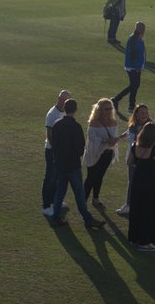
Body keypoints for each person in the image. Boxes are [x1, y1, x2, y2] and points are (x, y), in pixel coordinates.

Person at [48, 98, 105, 230]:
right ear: (75, 110)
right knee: (79, 194)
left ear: (65, 108)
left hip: (60, 164)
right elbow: (80, 149)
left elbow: (52, 141)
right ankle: (88, 219)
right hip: (72, 165)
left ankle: (55, 217)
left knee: (60, 192)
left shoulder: (57, 124)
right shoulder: (76, 126)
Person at [126, 121, 155, 252]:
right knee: (148, 211)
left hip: (137, 181)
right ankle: (144, 242)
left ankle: (134, 237)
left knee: (136, 209)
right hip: (150, 183)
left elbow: (129, 162)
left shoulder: (134, 145)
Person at [115, 104, 151, 217]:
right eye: (142, 113)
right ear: (136, 114)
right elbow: (127, 134)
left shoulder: (150, 127)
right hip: (132, 159)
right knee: (132, 182)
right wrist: (117, 139)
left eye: (146, 113)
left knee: (141, 183)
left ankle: (133, 205)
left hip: (144, 160)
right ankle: (130, 205)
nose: (144, 115)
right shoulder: (133, 126)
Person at [83, 99, 119, 207]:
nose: (108, 111)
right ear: (99, 110)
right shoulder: (94, 122)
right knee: (91, 177)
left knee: (100, 176)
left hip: (107, 154)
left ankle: (95, 198)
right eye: (106, 109)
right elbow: (92, 138)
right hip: (94, 154)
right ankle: (83, 200)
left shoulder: (113, 121)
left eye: (110, 108)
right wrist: (106, 141)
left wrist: (114, 140)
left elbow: (113, 137)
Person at [42, 90, 71, 217]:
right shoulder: (52, 114)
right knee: (50, 177)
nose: (64, 102)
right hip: (52, 150)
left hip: (61, 151)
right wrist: (58, 150)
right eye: (62, 100)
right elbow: (49, 136)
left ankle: (54, 201)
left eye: (67, 100)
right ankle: (46, 205)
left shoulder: (66, 111)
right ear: (58, 99)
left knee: (58, 177)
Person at [112, 22, 146, 114]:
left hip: (137, 66)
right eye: (142, 28)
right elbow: (131, 55)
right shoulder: (133, 39)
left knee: (135, 85)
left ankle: (130, 105)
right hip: (132, 67)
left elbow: (141, 53)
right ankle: (117, 99)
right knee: (134, 85)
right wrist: (137, 66)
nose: (143, 30)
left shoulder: (139, 38)